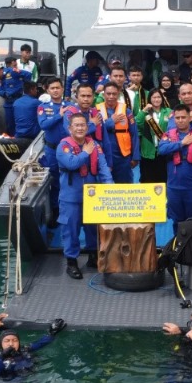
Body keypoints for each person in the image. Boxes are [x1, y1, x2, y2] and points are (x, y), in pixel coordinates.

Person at [57, 113, 113, 279]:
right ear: (70, 128)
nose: (80, 128)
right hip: (71, 197)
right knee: (71, 229)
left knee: (93, 229)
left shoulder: (94, 144)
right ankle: (72, 262)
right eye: (77, 125)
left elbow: (103, 167)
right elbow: (71, 163)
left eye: (83, 125)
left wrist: (110, 188)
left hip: (92, 196)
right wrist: (85, 153)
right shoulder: (64, 147)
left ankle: (93, 256)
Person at [156, 104, 192, 223]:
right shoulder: (168, 135)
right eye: (177, 118)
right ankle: (177, 241)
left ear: (189, 117)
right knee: (176, 220)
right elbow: (161, 150)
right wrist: (181, 143)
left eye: (183, 117)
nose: (180, 120)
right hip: (174, 186)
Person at [37, 78, 71, 225]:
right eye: (52, 88)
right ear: (48, 90)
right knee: (55, 180)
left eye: (58, 87)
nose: (56, 90)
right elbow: (43, 124)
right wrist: (59, 115)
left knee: (71, 179)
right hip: (52, 149)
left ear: (62, 89)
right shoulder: (43, 108)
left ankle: (72, 210)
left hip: (69, 149)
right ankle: (56, 212)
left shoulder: (70, 106)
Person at [95, 81, 139, 183]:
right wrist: (111, 122)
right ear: (103, 94)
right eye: (108, 94)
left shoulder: (126, 111)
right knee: (104, 187)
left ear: (118, 94)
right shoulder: (96, 111)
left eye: (114, 94)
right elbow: (94, 131)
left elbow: (134, 134)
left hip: (123, 156)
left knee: (125, 187)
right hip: (103, 156)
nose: (111, 96)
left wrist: (135, 156)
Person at [136, 88, 171, 184]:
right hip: (148, 150)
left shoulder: (168, 111)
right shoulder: (145, 112)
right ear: (149, 99)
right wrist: (143, 110)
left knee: (163, 178)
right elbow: (137, 123)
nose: (156, 99)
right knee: (148, 179)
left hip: (164, 151)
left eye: (159, 97)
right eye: (154, 97)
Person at [0, 56, 33, 134]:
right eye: (14, 64)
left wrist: (23, 84)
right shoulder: (3, 74)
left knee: (20, 119)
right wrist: (5, 94)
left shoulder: (16, 72)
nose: (16, 66)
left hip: (18, 99)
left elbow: (28, 75)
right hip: (8, 101)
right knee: (10, 122)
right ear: (10, 64)